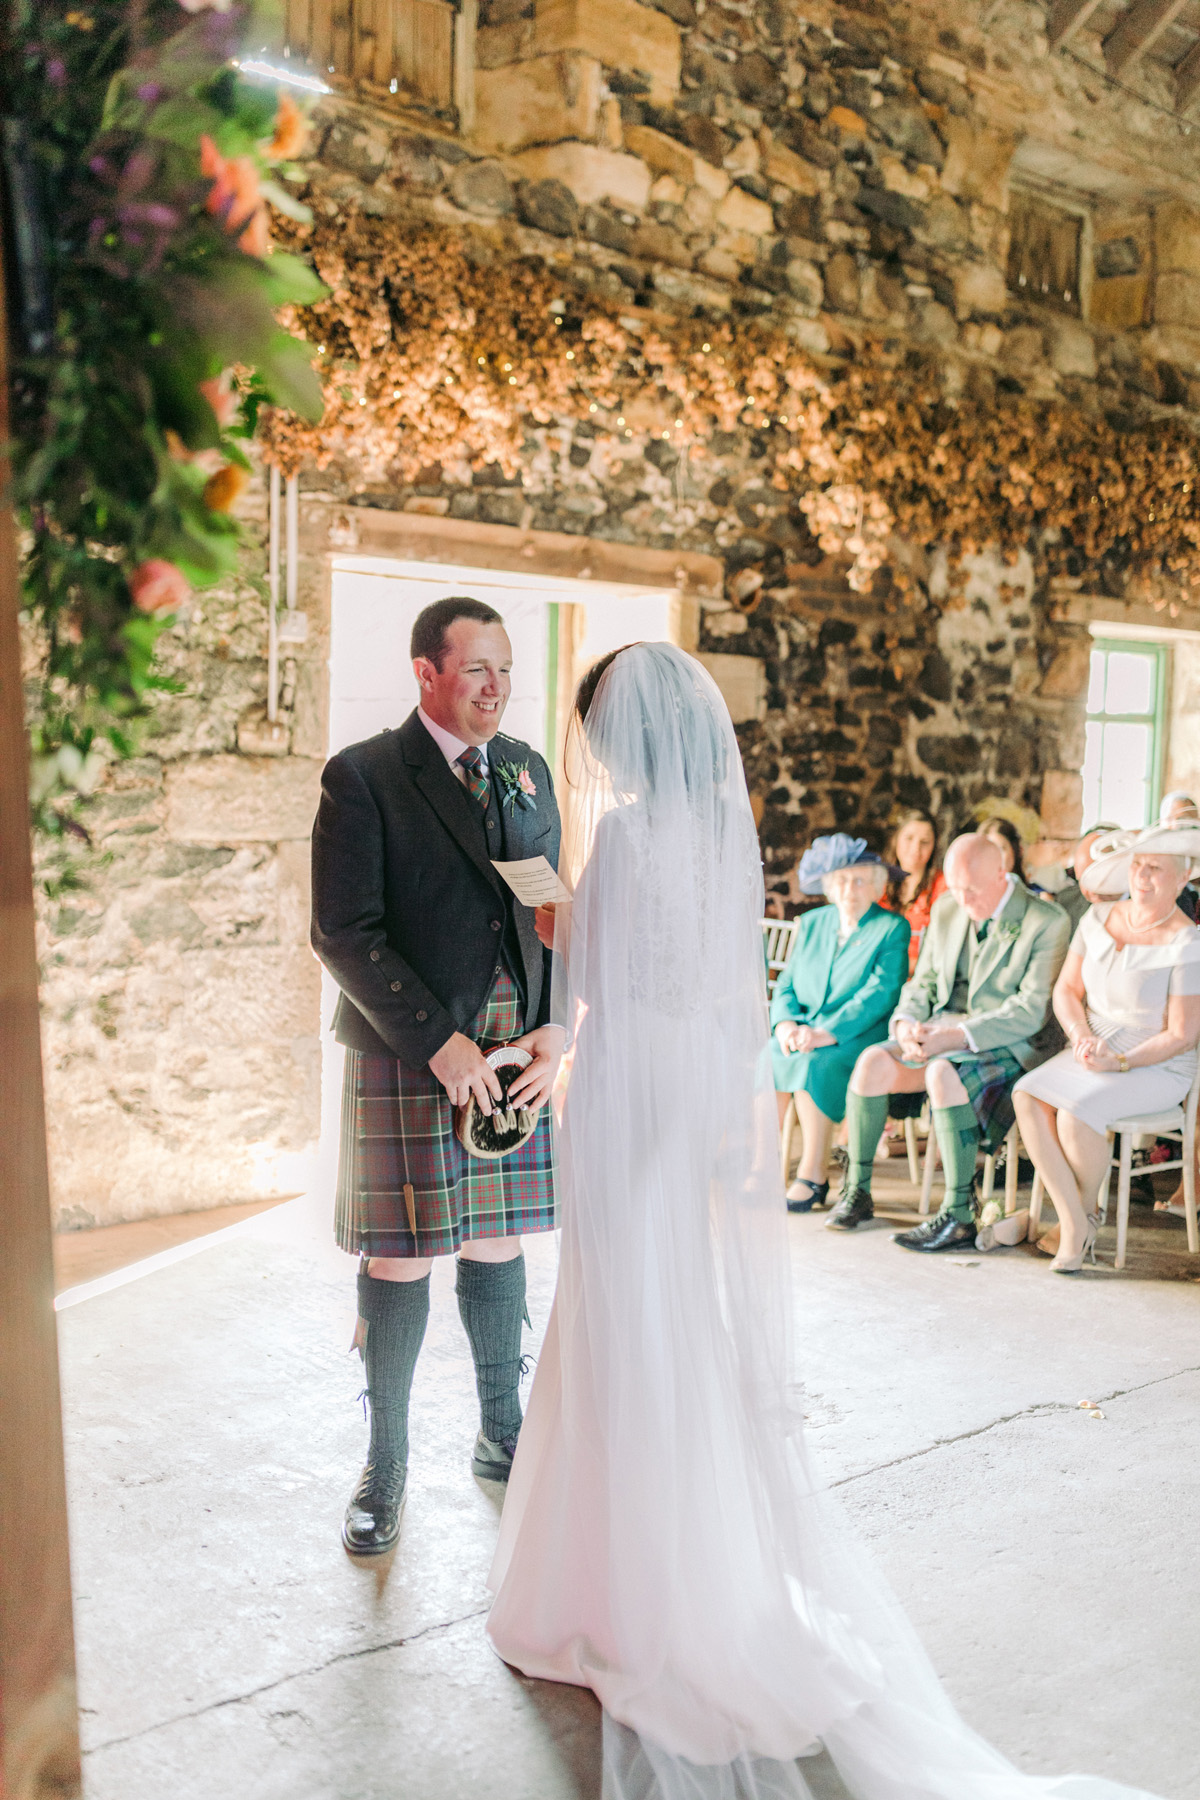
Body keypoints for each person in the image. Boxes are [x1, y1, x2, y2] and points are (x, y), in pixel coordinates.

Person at [487, 642, 1166, 1800]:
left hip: (633, 1079)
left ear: (623, 737)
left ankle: (609, 1585)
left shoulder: (636, 836)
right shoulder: (716, 832)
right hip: (697, 1074)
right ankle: (674, 1560)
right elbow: (721, 984)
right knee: (666, 1307)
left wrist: (540, 906)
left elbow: (589, 962)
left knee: (618, 1306)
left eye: (596, 725)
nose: (591, 745)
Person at [311, 595, 564, 1556]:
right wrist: (438, 1044)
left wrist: (553, 1032)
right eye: (476, 670)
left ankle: (503, 1433)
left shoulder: (528, 769)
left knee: (498, 1240)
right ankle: (387, 1464)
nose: (496, 688)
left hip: (513, 1043)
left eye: (505, 669)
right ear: (427, 671)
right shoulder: (367, 775)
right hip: (410, 1042)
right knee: (401, 1256)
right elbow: (343, 931)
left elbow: (555, 910)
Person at [827, 833, 1070, 1251]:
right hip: (940, 1030)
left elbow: (1029, 1011)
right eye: (955, 888)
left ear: (1002, 874)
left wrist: (955, 1037)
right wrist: (907, 1022)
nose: (962, 899)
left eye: (972, 890)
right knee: (872, 1063)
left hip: (1008, 1044)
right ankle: (858, 1191)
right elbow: (922, 981)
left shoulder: (1045, 921)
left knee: (942, 1072)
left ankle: (959, 1213)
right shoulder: (946, 907)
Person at [1014, 825, 1200, 1272]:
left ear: (1183, 877)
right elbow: (1066, 991)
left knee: (1077, 1113)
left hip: (1156, 1062)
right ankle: (1078, 1220)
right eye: (1137, 865)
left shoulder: (1187, 942)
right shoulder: (1096, 919)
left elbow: (1182, 1035)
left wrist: (1119, 1062)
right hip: (1092, 1042)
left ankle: (1076, 1226)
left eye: (1156, 867)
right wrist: (1080, 1036)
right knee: (1028, 1094)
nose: (1142, 876)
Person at [771, 837, 910, 1211]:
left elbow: (881, 993)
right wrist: (785, 1024)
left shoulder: (892, 927)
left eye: (861, 880)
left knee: (814, 1062)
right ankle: (761, 1166)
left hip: (858, 1035)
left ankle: (814, 1174)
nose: (851, 889)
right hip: (804, 1027)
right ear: (830, 885)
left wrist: (824, 1033)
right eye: (844, 880)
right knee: (772, 1053)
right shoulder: (814, 922)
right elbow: (787, 982)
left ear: (877, 886)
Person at [880, 806, 946, 974]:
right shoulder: (877, 882)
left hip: (921, 980)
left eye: (924, 842)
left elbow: (946, 952)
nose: (916, 848)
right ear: (896, 839)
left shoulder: (943, 887)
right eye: (909, 838)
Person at [1054, 823, 1119, 934]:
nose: (1093, 891)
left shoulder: (1149, 904)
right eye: (1084, 880)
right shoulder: (1065, 903)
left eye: (1101, 879)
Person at [979, 814, 1041, 890]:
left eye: (1001, 849)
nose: (995, 858)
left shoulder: (1038, 896)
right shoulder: (970, 897)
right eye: (989, 852)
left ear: (1017, 850)